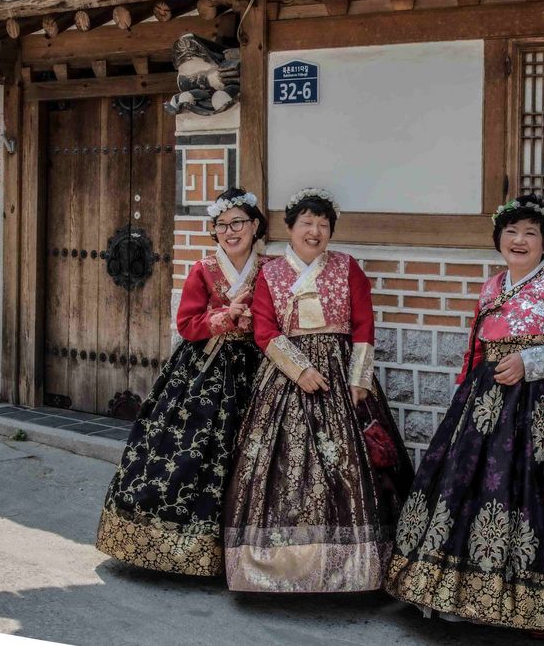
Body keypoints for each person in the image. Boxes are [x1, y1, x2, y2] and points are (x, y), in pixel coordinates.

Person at [385, 194, 544, 633]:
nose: (519, 240)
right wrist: (464, 392)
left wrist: (530, 363)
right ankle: (461, 592)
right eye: (510, 232)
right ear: (498, 239)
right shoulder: (491, 286)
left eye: (530, 233)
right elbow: (476, 349)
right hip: (486, 403)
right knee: (473, 485)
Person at [223, 187, 413, 593]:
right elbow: (264, 330)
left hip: (342, 372)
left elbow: (363, 325)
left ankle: (355, 568)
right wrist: (299, 370)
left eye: (323, 225)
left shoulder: (347, 267)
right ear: (290, 228)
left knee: (351, 464)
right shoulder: (270, 273)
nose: (315, 231)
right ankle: (279, 566)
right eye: (306, 223)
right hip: (288, 371)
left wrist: (359, 378)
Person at [96, 187, 269, 576]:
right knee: (185, 447)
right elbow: (188, 325)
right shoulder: (202, 270)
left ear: (255, 225)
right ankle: (171, 545)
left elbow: (278, 321)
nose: (230, 231)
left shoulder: (270, 271)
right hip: (204, 370)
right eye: (222, 225)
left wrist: (251, 319)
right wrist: (224, 317)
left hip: (257, 367)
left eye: (238, 222)